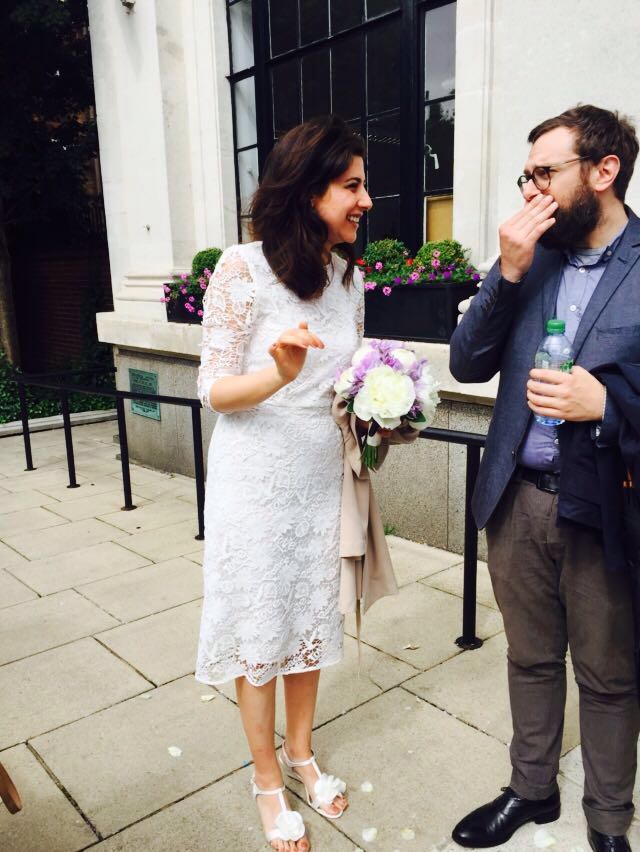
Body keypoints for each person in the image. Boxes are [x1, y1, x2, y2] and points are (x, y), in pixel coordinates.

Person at [449, 104, 640, 852]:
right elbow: (467, 362)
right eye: (524, 176)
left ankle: (609, 822)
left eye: (544, 174)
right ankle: (531, 790)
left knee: (608, 674)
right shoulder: (532, 257)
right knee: (529, 658)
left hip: (604, 509)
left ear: (604, 171)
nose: (530, 191)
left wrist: (608, 405)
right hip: (517, 503)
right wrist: (507, 271)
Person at [195, 115, 372, 852]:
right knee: (262, 624)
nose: (366, 200)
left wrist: (383, 407)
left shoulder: (347, 277)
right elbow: (214, 390)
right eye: (352, 186)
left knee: (310, 621)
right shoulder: (241, 268)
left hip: (322, 474)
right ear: (308, 191)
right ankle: (266, 776)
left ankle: (301, 752)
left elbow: (348, 376)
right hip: (256, 478)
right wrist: (278, 374)